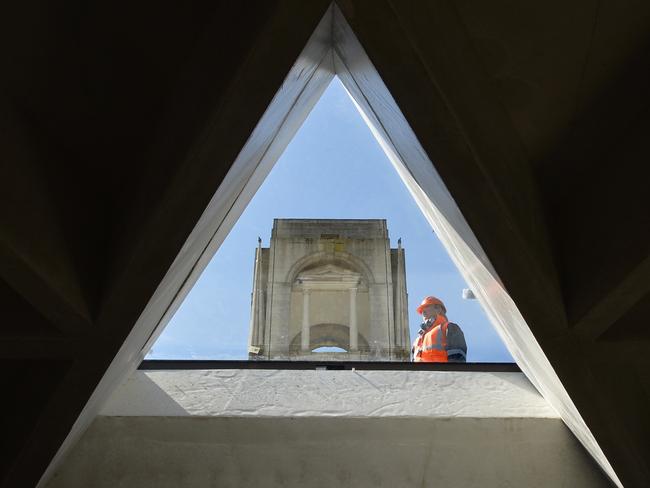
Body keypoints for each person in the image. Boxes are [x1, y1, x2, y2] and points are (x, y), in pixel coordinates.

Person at [412, 296, 467, 362]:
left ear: (438, 309)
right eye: (421, 311)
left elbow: (457, 362)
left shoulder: (449, 328)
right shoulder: (417, 341)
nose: (423, 312)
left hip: (442, 372)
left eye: (426, 307)